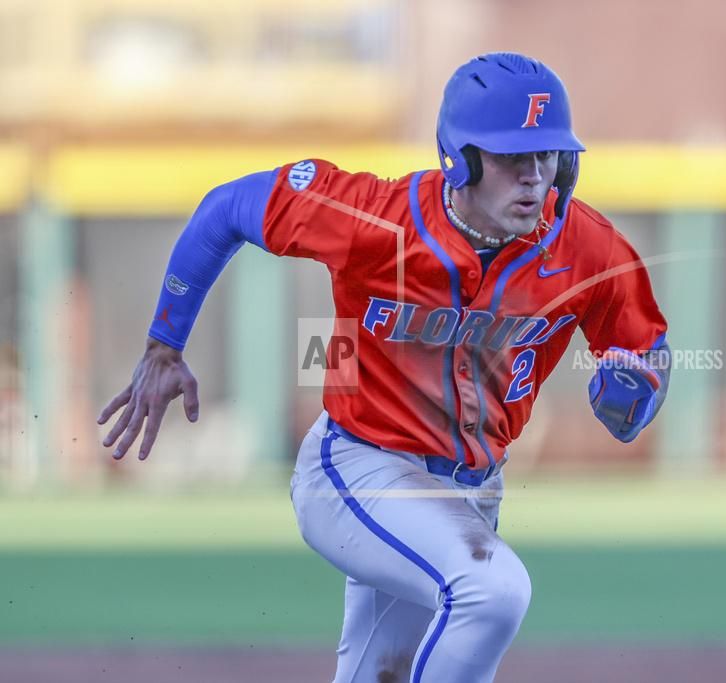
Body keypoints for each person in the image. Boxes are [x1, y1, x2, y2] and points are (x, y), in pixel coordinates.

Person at [98, 52, 670, 683]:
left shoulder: (585, 247)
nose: (533, 177)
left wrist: (635, 386)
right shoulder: (377, 219)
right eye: (511, 157)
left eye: (547, 156)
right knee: (492, 591)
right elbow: (228, 208)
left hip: (470, 492)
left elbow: (644, 351)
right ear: (465, 158)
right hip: (357, 471)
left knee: (383, 675)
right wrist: (164, 344)